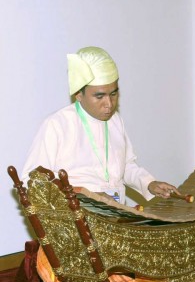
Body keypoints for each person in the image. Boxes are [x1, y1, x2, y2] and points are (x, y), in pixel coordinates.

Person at [22, 46, 180, 204]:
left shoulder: (115, 120)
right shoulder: (57, 125)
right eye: (99, 96)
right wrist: (87, 196)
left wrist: (149, 183)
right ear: (78, 94)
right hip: (76, 218)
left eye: (113, 94)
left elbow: (124, 167)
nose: (109, 104)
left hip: (115, 213)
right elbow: (33, 182)